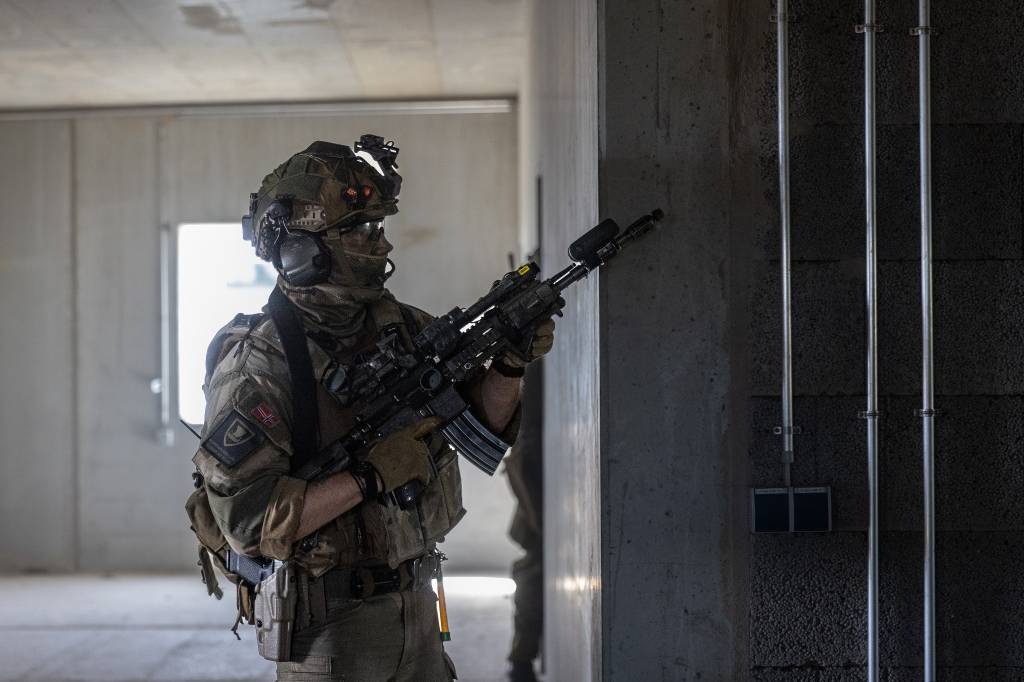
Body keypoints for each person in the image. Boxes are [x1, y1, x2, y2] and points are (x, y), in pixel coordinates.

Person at [187, 138, 555, 681]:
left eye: (378, 228)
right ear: (301, 250)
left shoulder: (404, 327)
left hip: (418, 602)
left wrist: (509, 362)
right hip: (330, 626)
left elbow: (484, 429)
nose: (378, 245)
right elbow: (247, 523)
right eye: (358, 230)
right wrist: (370, 476)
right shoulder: (260, 363)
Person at [503, 361, 544, 682]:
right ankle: (521, 660)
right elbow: (517, 462)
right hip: (535, 507)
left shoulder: (537, 373)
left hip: (537, 503)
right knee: (531, 577)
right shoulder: (532, 374)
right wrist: (536, 519)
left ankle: (522, 659)